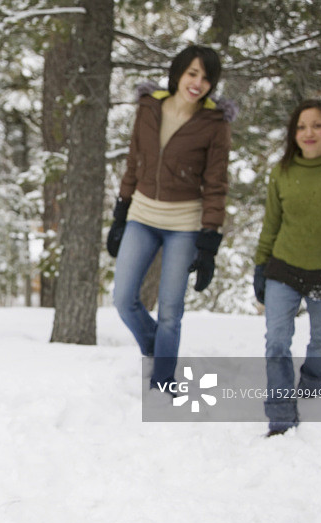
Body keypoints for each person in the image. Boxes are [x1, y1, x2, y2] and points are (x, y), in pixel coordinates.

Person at [107, 45, 236, 391]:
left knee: (170, 311)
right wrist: (120, 214)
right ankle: (156, 348)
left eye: (206, 78)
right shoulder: (149, 107)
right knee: (123, 299)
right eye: (192, 73)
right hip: (142, 216)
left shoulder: (215, 124)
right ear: (178, 73)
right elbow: (133, 161)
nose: (198, 83)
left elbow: (216, 184)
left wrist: (208, 242)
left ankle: (163, 380)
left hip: (184, 225)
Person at [253, 100, 321, 436]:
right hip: (283, 269)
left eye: (317, 125)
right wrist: (260, 266)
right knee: (276, 340)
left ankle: (313, 387)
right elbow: (271, 224)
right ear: (293, 134)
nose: (309, 133)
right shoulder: (282, 171)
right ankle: (280, 412)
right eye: (301, 127)